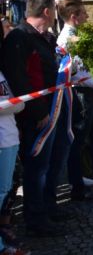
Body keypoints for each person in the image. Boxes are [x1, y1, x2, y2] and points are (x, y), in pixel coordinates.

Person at [2, 0, 65, 237]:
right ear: (47, 12)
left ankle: (48, 208)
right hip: (34, 115)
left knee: (46, 165)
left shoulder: (41, 38)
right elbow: (19, 79)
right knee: (36, 168)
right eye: (54, 10)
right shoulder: (20, 38)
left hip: (49, 109)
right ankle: (36, 219)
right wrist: (38, 111)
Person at [56, 0, 93, 202]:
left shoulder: (76, 35)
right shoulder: (68, 38)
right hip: (79, 93)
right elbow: (75, 71)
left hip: (87, 93)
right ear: (74, 17)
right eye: (84, 13)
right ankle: (77, 188)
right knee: (78, 141)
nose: (87, 16)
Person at [0, 19, 30, 254]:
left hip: (8, 136)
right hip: (2, 139)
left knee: (4, 190)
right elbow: (9, 103)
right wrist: (16, 105)